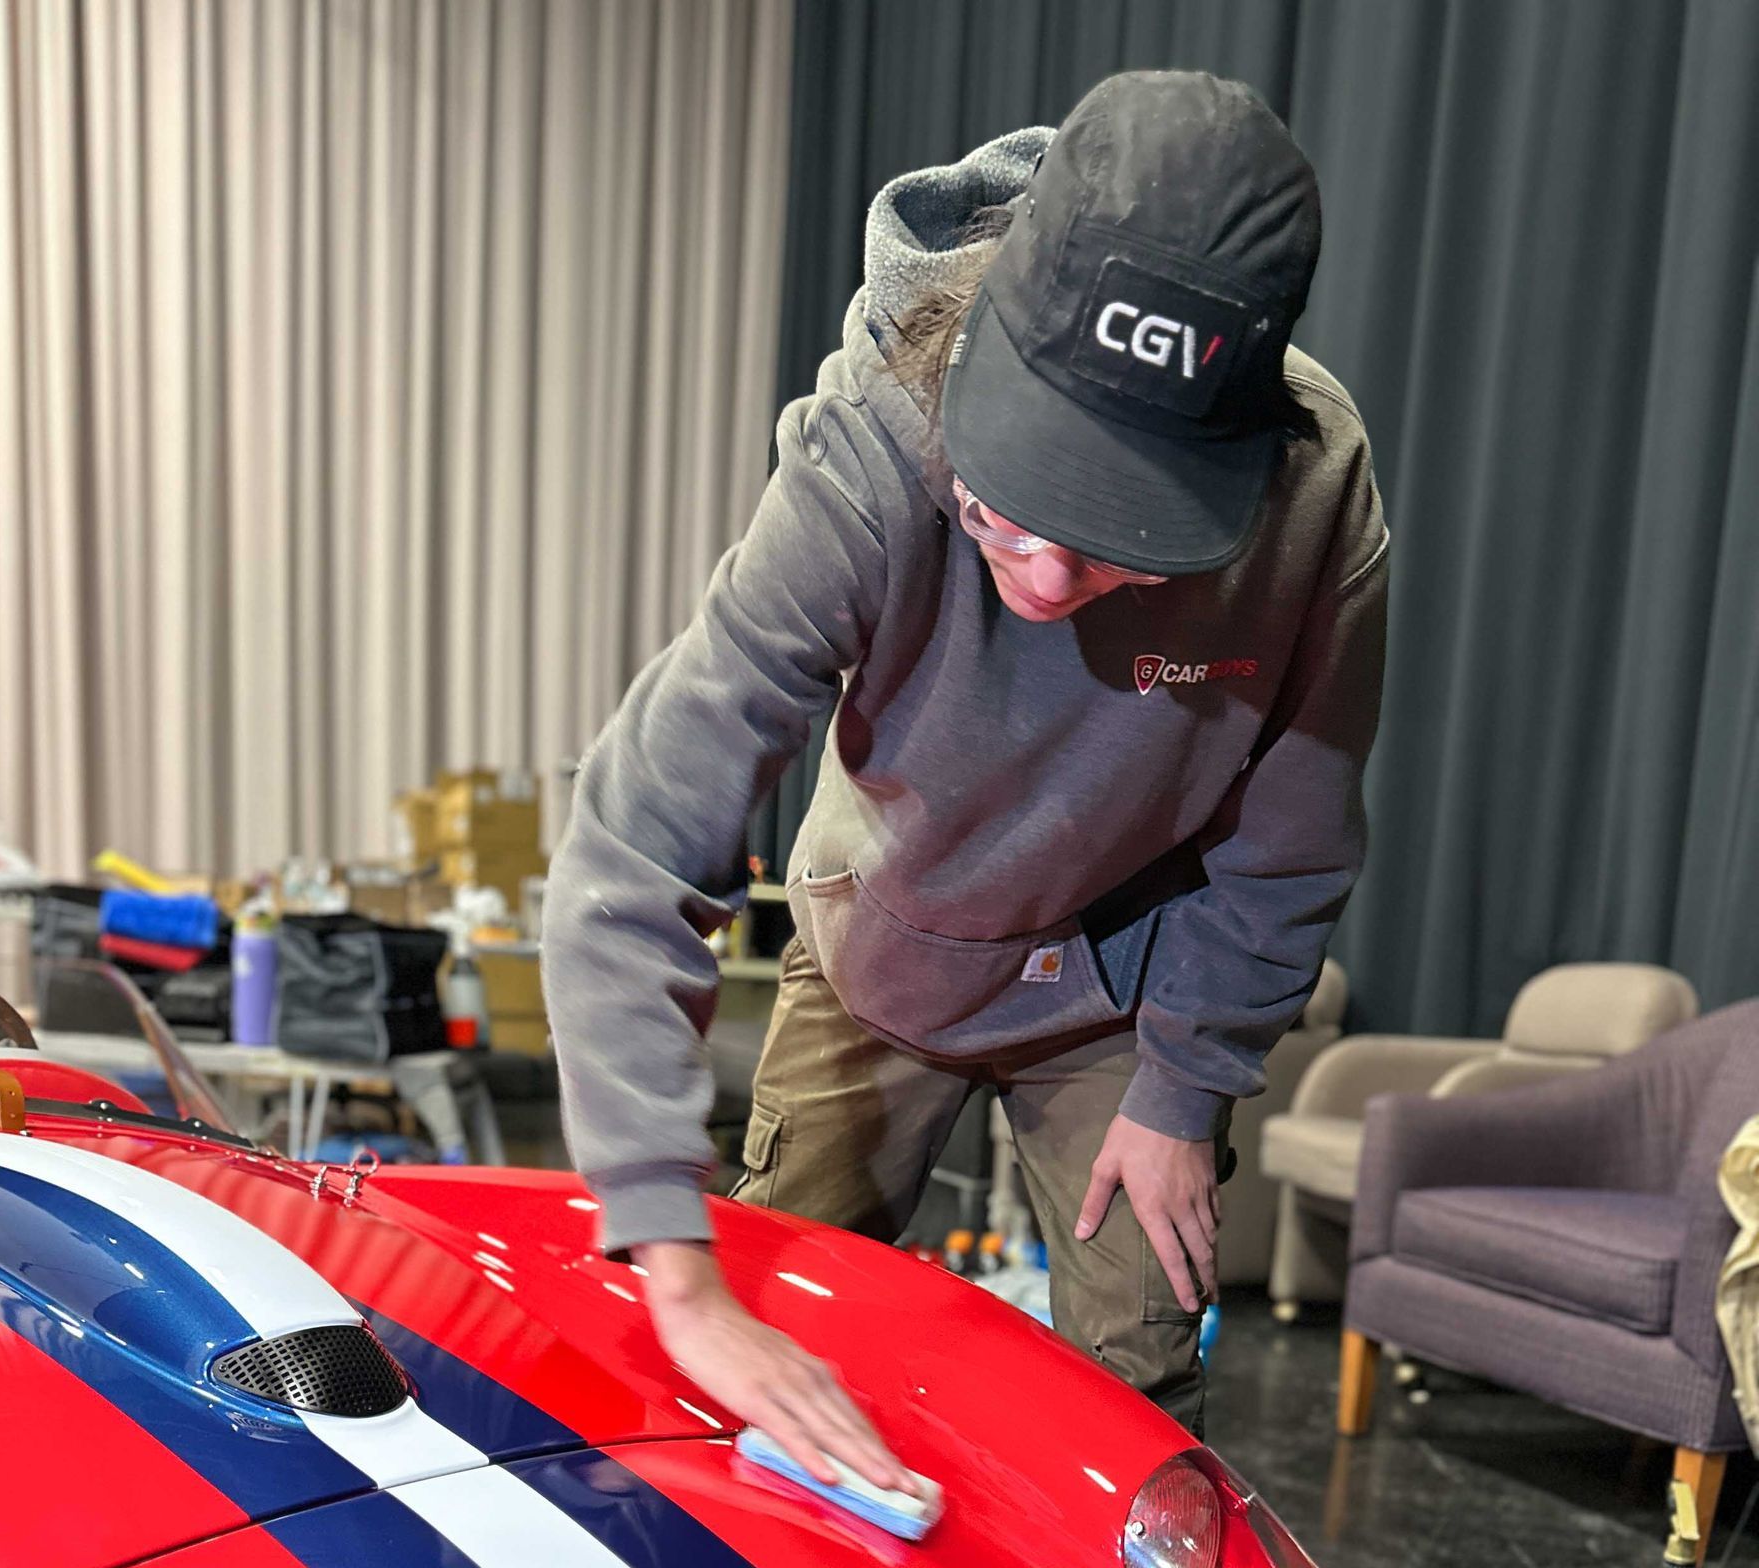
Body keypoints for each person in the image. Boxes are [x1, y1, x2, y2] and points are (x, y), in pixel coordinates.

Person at [544, 68, 1388, 1484]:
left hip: (1123, 986)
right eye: (1014, 504)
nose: (1050, 578)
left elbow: (1288, 843)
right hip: (887, 940)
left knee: (1139, 1399)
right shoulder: (869, 446)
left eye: (1121, 537)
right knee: (758, 1337)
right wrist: (677, 1270)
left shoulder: (1316, 493)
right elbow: (635, 848)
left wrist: (1189, 1092)